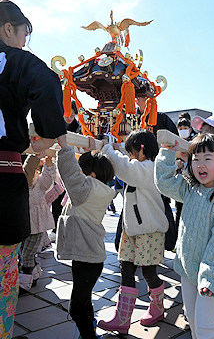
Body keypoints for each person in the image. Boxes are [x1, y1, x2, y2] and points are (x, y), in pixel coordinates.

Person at [0, 0, 66, 339]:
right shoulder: (16, 61)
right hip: (3, 178)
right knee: (3, 273)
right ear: (8, 28)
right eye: (25, 30)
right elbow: (47, 83)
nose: (26, 38)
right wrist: (46, 134)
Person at [154, 133, 214, 339]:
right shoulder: (190, 188)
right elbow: (164, 182)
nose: (200, 164)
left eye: (208, 158)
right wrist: (167, 151)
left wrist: (209, 279)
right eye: (196, 159)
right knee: (192, 320)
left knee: (205, 326)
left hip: (210, 276)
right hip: (187, 268)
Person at [98, 129, 169, 334]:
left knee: (148, 273)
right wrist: (116, 149)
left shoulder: (149, 168)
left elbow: (125, 168)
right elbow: (127, 166)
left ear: (142, 150)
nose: (129, 156)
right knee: (126, 269)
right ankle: (122, 318)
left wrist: (109, 151)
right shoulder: (141, 166)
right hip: (134, 229)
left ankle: (157, 307)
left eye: (131, 151)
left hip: (149, 230)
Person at [56, 135, 115, 339]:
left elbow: (70, 175)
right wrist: (91, 153)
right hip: (90, 258)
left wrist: (65, 148)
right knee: (85, 300)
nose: (80, 175)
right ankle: (89, 330)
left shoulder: (86, 189)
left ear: (91, 175)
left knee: (76, 307)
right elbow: (80, 175)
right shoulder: (99, 189)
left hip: (86, 258)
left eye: (84, 172)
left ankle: (89, 336)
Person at [19, 155, 57, 292]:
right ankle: (34, 275)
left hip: (37, 226)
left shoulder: (40, 184)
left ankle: (25, 282)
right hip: (25, 225)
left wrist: (48, 164)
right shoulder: (22, 185)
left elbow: (48, 177)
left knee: (27, 254)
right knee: (25, 251)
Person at [50, 100, 81, 243]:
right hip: (57, 164)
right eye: (67, 114)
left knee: (70, 199)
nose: (69, 117)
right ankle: (56, 228)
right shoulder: (55, 124)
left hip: (73, 165)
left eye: (72, 114)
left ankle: (68, 229)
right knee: (56, 198)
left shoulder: (80, 128)